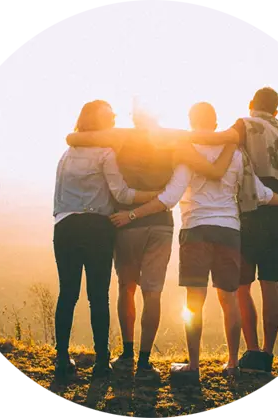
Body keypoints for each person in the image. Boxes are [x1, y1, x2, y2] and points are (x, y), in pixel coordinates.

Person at [110, 102, 278, 378]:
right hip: (229, 231)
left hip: (196, 229)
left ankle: (193, 366)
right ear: (215, 124)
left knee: (194, 302)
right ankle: (233, 364)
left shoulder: (188, 152)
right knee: (230, 300)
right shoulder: (236, 153)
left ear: (191, 122)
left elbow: (170, 197)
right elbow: (260, 193)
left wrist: (133, 214)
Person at [66, 107, 236, 381]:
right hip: (160, 224)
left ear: (134, 117)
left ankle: (127, 355)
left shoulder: (118, 137)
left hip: (126, 223)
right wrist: (231, 135)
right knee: (152, 292)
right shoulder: (173, 139)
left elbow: (73, 138)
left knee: (126, 287)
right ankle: (145, 363)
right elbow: (211, 148)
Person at [53, 100, 160, 380]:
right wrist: (155, 196)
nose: (113, 120)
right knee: (97, 297)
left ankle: (62, 359)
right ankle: (102, 362)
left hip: (64, 226)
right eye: (109, 117)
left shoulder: (67, 153)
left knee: (67, 294)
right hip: (97, 228)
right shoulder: (106, 153)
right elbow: (122, 194)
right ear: (99, 123)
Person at [231, 87, 278, 373]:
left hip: (252, 213)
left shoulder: (244, 124)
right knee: (271, 282)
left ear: (251, 104)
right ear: (276, 110)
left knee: (242, 285)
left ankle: (252, 351)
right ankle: (268, 355)